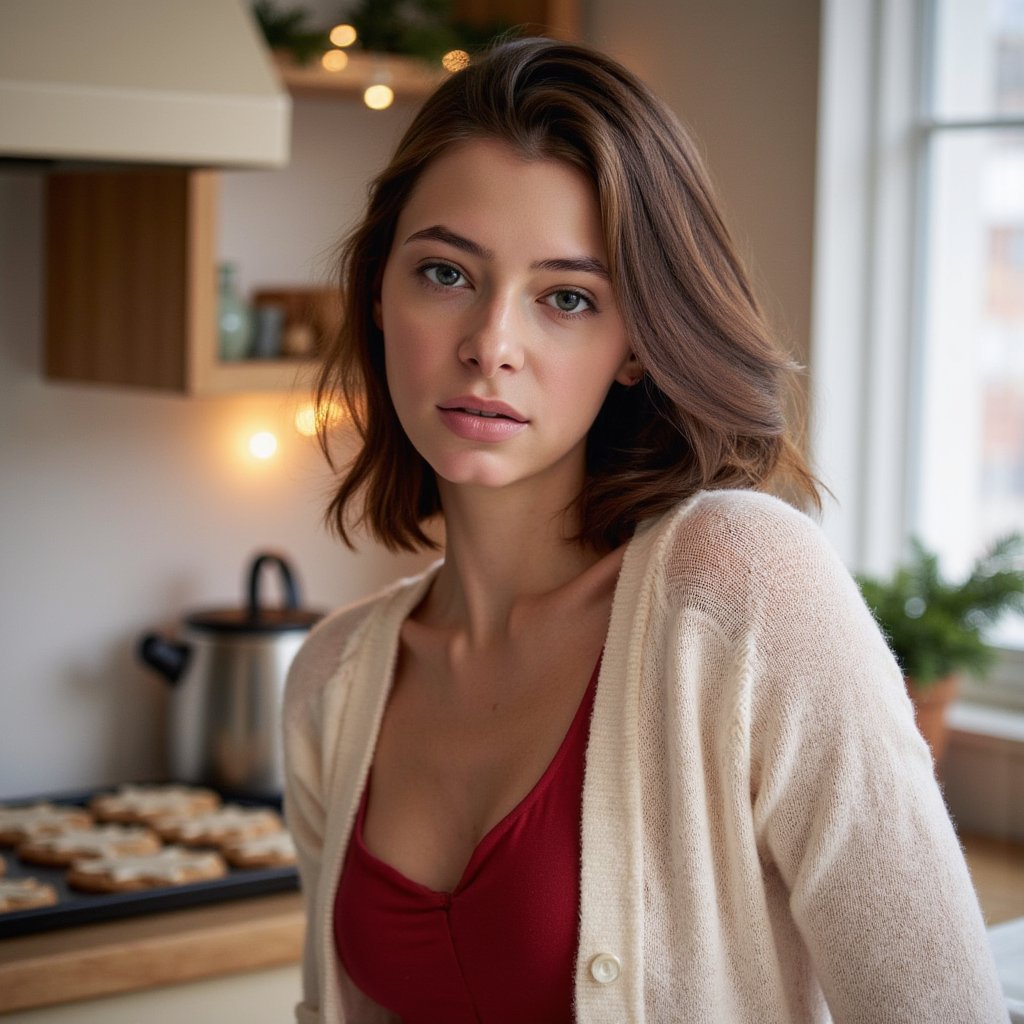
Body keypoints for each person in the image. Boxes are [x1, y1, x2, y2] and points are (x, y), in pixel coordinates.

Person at [282, 37, 1007, 1024]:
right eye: (445, 273)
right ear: (379, 295)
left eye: (567, 298)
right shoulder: (331, 679)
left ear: (634, 346)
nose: (491, 343)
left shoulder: (740, 585)